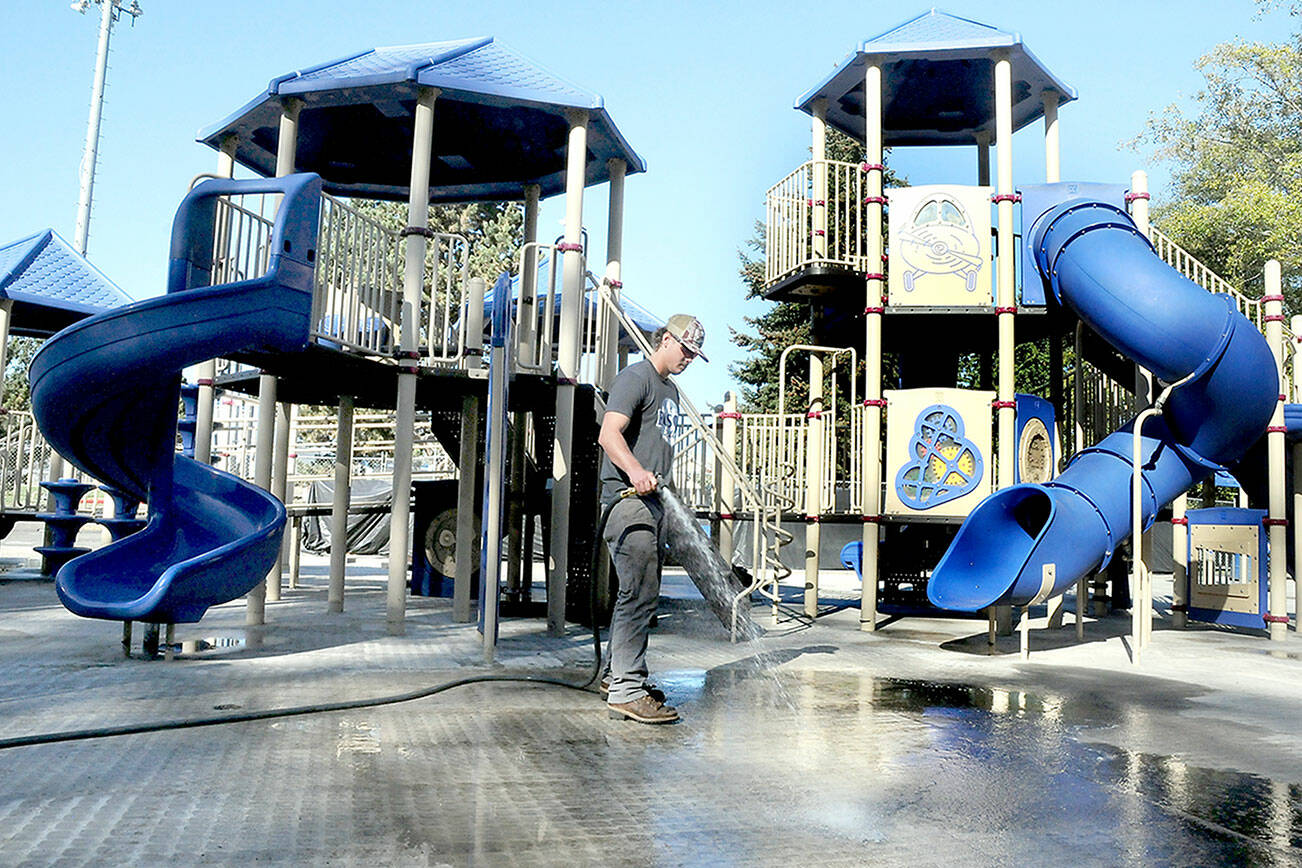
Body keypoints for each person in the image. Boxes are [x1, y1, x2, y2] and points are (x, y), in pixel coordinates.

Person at [597, 314, 708, 724]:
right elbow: (609, 435)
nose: (688, 359)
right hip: (627, 501)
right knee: (640, 592)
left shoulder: (671, 392)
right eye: (685, 350)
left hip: (655, 503)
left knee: (638, 591)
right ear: (664, 339)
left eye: (695, 355)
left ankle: (615, 677)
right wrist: (636, 472)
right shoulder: (636, 377)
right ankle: (627, 690)